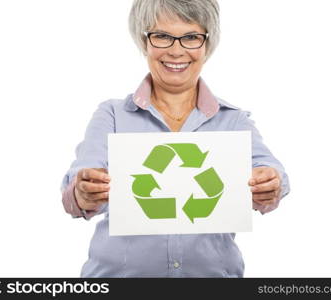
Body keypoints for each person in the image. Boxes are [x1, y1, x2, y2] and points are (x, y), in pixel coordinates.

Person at [61, 0, 290, 278]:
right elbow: (75, 188)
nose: (176, 50)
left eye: (191, 37)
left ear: (207, 44)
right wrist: (83, 191)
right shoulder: (112, 115)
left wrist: (270, 182)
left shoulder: (234, 121)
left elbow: (274, 175)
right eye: (162, 36)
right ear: (144, 41)